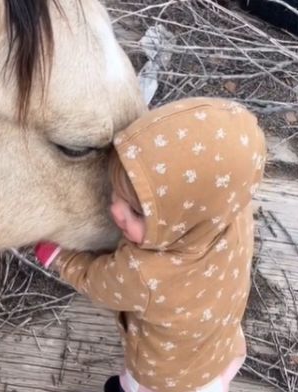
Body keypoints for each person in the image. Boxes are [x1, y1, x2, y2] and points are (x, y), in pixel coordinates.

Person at [34, 97, 266, 392]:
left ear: (179, 219)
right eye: (114, 194)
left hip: (163, 379)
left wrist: (60, 257)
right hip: (216, 349)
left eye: (136, 212)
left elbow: (98, 282)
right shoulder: (232, 213)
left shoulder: (145, 271)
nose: (116, 211)